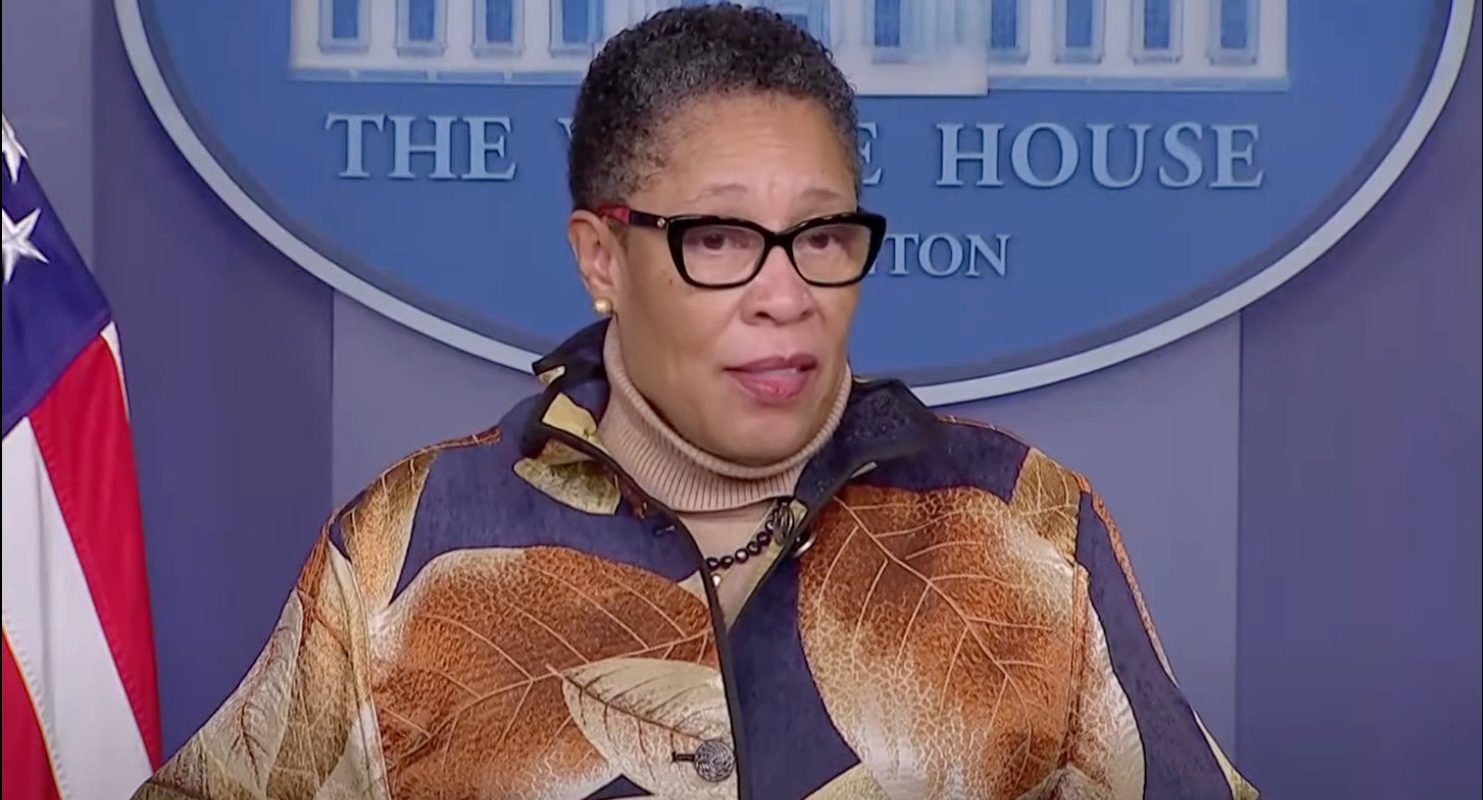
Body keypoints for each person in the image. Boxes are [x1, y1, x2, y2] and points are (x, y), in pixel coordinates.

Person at [135, 5, 1256, 799]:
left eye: (823, 236)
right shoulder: (409, 542)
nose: (786, 294)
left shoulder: (1022, 522)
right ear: (601, 257)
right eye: (719, 239)